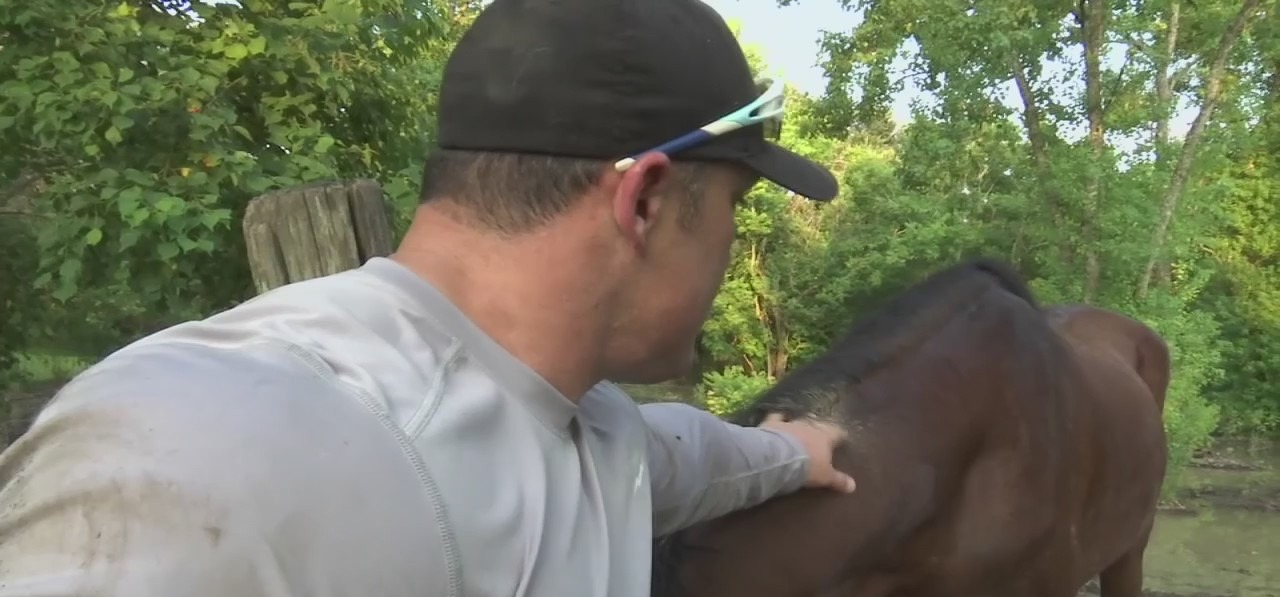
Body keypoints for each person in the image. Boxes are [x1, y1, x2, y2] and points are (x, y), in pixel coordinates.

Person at [0, 0, 854, 595]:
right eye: (734, 209)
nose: (733, 247)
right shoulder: (220, 443)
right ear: (646, 203)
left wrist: (793, 452)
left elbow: (681, 456)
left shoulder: (580, 428)